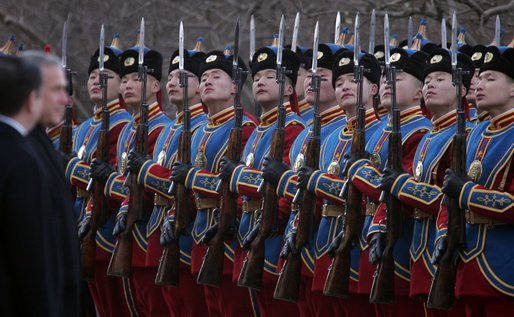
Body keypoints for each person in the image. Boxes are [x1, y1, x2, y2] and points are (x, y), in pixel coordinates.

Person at [378, 48, 474, 316]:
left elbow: (447, 198)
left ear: (463, 90)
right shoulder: (431, 136)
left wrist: (400, 186)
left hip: (449, 249)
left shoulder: (463, 134)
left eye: (441, 78)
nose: (431, 83)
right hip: (419, 251)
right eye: (428, 78)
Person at [217, 43, 306, 317]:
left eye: (270, 76)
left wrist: (239, 177)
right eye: (256, 78)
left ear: (290, 89)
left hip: (272, 235)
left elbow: (286, 187)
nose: (260, 82)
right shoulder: (259, 129)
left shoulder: (293, 127)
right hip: (249, 232)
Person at [170, 49, 258, 316]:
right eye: (204, 76)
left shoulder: (246, 128)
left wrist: (194, 178)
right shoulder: (198, 132)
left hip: (230, 239)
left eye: (216, 76)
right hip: (200, 236)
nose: (206, 80)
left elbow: (245, 187)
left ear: (234, 87)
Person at [261, 42, 347, 316]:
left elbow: (345, 192)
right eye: (309, 72)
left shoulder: (345, 132)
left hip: (332, 242)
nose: (312, 78)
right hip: (300, 243)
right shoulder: (304, 133)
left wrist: (285, 182)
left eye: (322, 72)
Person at [297, 50, 383, 316]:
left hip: (360, 241)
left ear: (375, 88)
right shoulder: (330, 138)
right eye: (339, 82)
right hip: (324, 242)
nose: (344, 86)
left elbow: (380, 191)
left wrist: (317, 182)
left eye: (353, 80)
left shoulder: (383, 132)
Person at [346, 47, 431, 316]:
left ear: (419, 92)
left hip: (401, 238)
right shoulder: (379, 131)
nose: (387, 83)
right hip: (367, 236)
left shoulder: (420, 131)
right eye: (384, 77)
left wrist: (358, 171)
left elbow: (396, 188)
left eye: (398, 77)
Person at [127, 39, 209, 316]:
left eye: (183, 77)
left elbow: (182, 186)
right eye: (171, 76)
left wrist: (146, 172)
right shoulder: (168, 129)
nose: (173, 82)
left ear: (199, 86)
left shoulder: (201, 127)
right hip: (156, 232)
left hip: (186, 234)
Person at [90, 45, 171, 316]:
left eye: (137, 78)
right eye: (124, 79)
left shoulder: (162, 128)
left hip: (149, 232)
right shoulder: (129, 131)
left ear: (156, 85)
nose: (128, 85)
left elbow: (158, 185)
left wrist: (110, 181)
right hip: (123, 234)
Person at [436, 45, 514, 316]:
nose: (479, 84)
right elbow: (448, 196)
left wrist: (468, 193)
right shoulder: (475, 132)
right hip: (468, 265)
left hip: (505, 267)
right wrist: (444, 233)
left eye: (490, 79)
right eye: (479, 79)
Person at [63, 38, 136, 317]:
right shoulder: (82, 128)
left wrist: (70, 169)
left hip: (105, 226)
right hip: (80, 223)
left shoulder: (122, 124)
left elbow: (114, 176)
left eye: (106, 77)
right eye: (93, 75)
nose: (97, 81)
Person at [0, 55, 65, 316]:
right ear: (31, 100)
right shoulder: (23, 159)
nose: (64, 99)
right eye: (56, 90)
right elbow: (32, 253)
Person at [20, 51, 83, 316]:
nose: (66, 100)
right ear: (31, 93)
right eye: (56, 89)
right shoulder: (20, 152)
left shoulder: (39, 146)